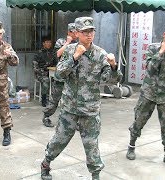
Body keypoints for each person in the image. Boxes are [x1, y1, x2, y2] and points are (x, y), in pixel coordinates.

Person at [40, 17, 122, 180]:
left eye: (91, 31)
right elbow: (59, 74)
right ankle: (46, 163)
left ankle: (95, 175)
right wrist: (74, 57)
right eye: (85, 32)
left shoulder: (100, 54)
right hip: (70, 108)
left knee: (91, 145)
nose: (89, 35)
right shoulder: (69, 50)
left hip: (90, 110)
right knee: (59, 140)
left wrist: (113, 66)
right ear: (77, 33)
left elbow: (112, 80)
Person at [126, 21, 165, 169]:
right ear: (164, 35)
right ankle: (131, 145)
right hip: (148, 93)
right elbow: (150, 68)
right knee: (139, 121)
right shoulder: (153, 48)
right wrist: (161, 52)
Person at [42, 23, 77, 127]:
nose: (75, 34)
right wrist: (67, 43)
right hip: (61, 76)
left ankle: (74, 122)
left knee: (74, 101)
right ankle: (46, 116)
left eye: (76, 32)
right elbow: (57, 54)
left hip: (74, 77)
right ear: (69, 32)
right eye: (73, 32)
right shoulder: (61, 42)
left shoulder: (80, 43)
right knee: (55, 99)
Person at [33, 37, 58, 107]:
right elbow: (35, 66)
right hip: (41, 73)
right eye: (47, 42)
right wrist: (41, 72)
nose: (49, 44)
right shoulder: (39, 53)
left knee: (59, 80)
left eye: (50, 42)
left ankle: (55, 99)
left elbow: (56, 63)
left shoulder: (53, 52)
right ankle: (44, 99)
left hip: (51, 72)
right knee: (46, 80)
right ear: (43, 43)